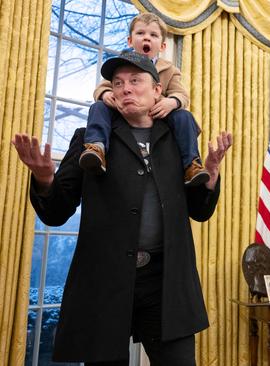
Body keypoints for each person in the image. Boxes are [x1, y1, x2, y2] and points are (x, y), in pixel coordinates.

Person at [12, 51, 232, 365]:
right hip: (105, 284)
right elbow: (56, 212)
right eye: (117, 83)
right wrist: (44, 178)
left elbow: (200, 210)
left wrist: (211, 171)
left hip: (166, 284)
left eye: (135, 80)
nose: (125, 88)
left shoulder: (178, 139)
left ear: (158, 90)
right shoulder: (90, 140)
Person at [81, 12, 208, 186]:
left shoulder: (169, 69)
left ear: (162, 46)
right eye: (140, 33)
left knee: (184, 116)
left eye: (153, 35)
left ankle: (191, 164)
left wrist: (171, 102)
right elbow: (101, 88)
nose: (146, 38)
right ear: (130, 41)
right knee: (98, 108)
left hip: (158, 113)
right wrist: (105, 94)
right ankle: (96, 148)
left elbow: (182, 95)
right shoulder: (120, 65)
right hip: (125, 111)